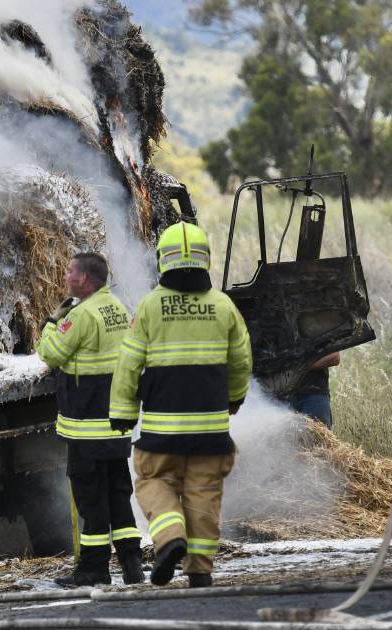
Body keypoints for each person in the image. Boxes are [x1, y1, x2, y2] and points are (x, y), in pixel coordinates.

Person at [109, 222, 252, 588]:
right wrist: (235, 399)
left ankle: (170, 538)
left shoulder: (150, 307)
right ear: (205, 259)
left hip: (162, 433)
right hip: (210, 432)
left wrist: (122, 413)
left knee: (154, 481)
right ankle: (200, 572)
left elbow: (128, 364)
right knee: (203, 495)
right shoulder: (223, 307)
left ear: (163, 261)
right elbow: (241, 362)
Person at [37, 253, 145, 587]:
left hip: (86, 427)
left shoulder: (80, 315)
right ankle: (132, 564)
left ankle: (93, 570)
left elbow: (51, 354)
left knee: (91, 500)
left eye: (70, 271)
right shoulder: (116, 307)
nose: (66, 275)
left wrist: (52, 323)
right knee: (117, 494)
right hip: (114, 425)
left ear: (84, 279)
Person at [285, 353, 339, 429]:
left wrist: (300, 366)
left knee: (318, 440)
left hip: (313, 397)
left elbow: (334, 358)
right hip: (281, 398)